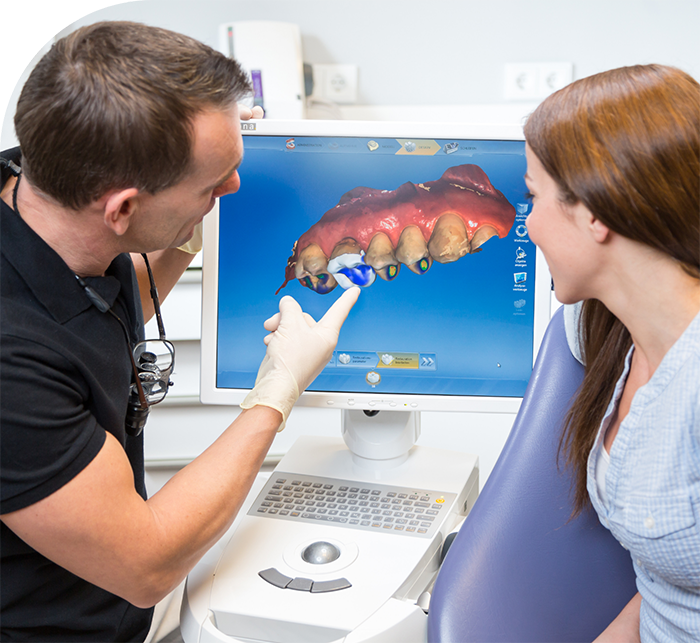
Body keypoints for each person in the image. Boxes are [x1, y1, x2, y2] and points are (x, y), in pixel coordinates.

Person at [0, 21, 359, 642]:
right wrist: (277, 391)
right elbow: (146, 563)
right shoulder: (11, 364)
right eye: (213, 184)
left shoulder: (41, 185)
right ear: (122, 209)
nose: (234, 188)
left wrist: (185, 219)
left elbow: (96, 306)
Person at [523, 64, 700, 642]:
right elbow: (664, 590)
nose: (528, 227)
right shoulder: (602, 327)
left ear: (595, 212)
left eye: (534, 197)